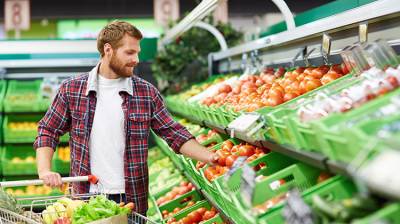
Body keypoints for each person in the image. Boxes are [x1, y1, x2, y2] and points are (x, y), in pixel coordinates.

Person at [34, 20, 218, 223]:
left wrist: (211, 157)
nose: (136, 59)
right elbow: (48, 129)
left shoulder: (145, 92)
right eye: (130, 53)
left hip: (131, 202)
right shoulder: (73, 89)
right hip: (86, 200)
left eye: (137, 52)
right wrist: (45, 170)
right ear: (108, 50)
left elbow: (174, 134)